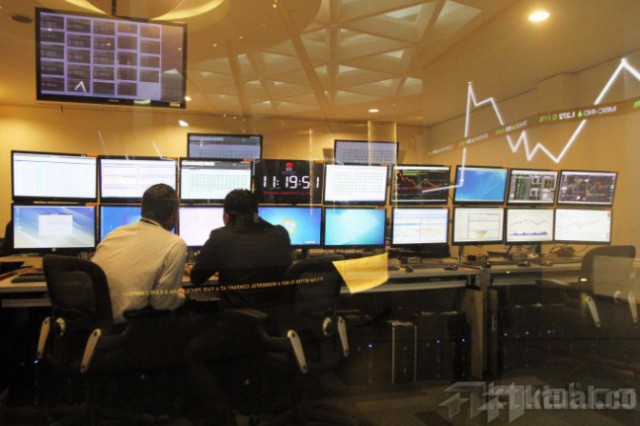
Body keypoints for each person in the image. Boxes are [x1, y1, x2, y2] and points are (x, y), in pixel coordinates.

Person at [187, 189, 292, 425]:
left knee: (191, 353)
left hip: (237, 329)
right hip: (274, 327)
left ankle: (224, 415)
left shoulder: (221, 237)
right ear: (256, 212)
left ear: (227, 216)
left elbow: (196, 278)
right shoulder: (280, 234)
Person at [92, 184, 187, 323]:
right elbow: (162, 303)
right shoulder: (176, 244)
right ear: (174, 214)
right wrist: (181, 296)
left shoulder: (114, 233)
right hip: (127, 326)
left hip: (93, 321)